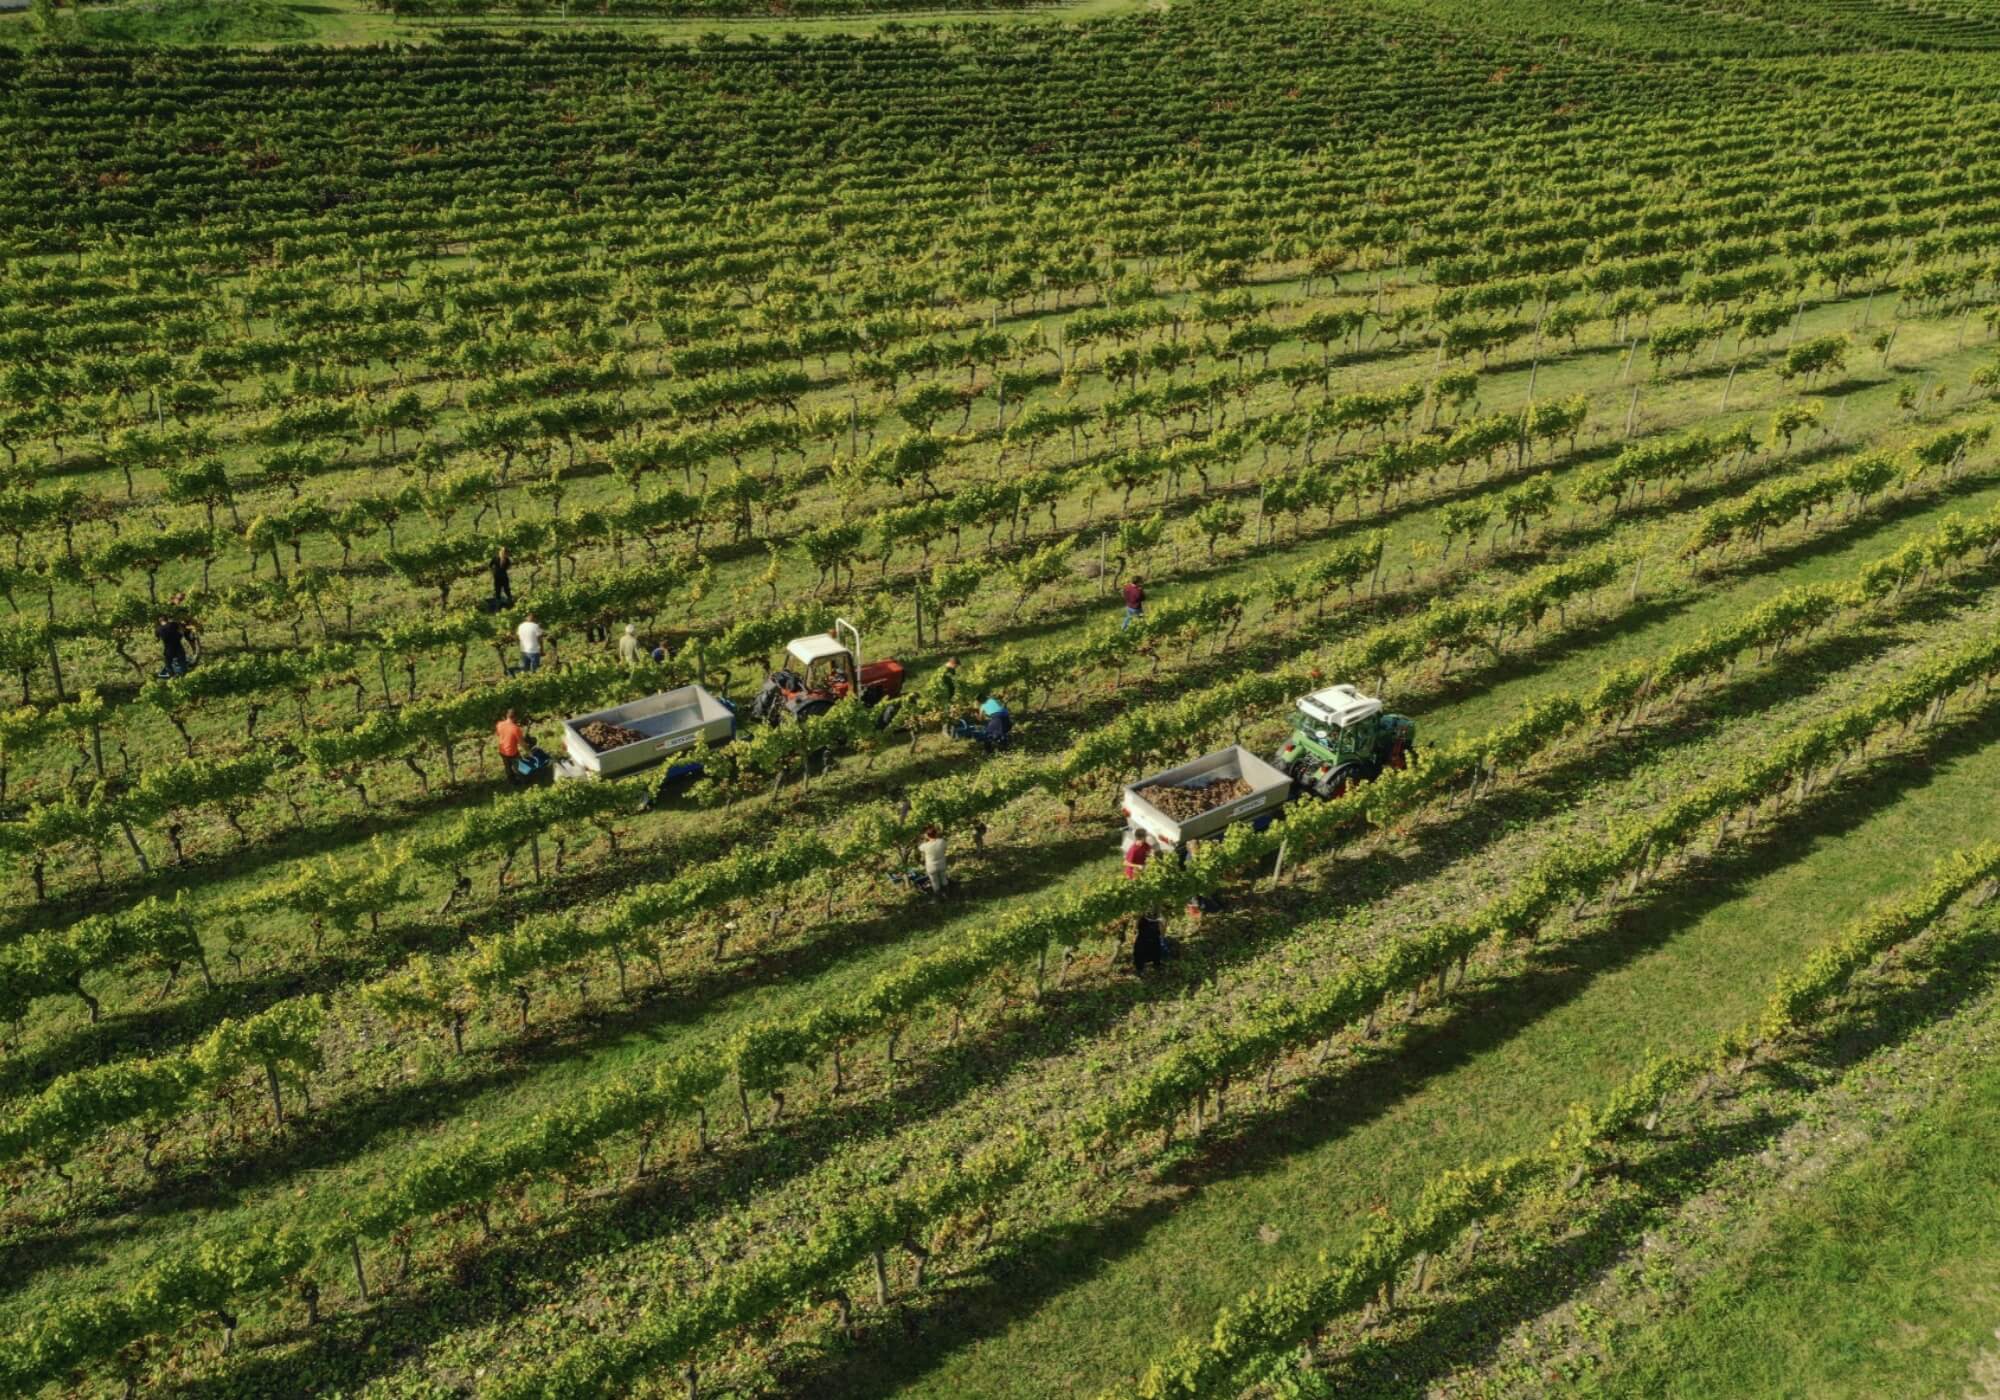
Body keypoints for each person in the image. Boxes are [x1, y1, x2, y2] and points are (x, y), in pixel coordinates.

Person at [919, 824, 949, 896]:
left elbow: (920, 848)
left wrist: (924, 840)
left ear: (927, 835)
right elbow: (945, 849)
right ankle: (947, 894)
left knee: (935, 882)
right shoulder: (941, 841)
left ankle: (939, 897)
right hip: (942, 864)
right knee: (943, 879)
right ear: (936, 833)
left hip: (931, 866)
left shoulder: (924, 845)